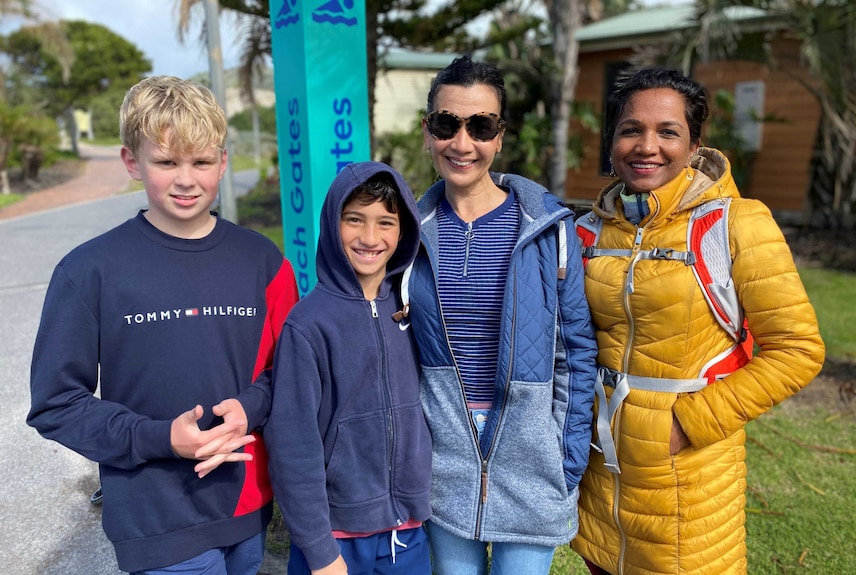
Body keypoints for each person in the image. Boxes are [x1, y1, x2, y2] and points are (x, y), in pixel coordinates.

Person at [27, 75, 299, 574]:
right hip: (154, 518)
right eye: (166, 162)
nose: (186, 179)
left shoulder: (262, 261)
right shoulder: (89, 271)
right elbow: (56, 404)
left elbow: (293, 371)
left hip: (247, 507)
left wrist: (251, 407)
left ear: (222, 160)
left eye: (200, 161)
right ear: (133, 161)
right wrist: (160, 439)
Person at [569, 67, 826, 575]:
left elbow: (798, 350)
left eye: (667, 132)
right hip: (602, 471)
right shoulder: (587, 230)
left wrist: (685, 424)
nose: (647, 146)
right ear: (612, 141)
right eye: (630, 130)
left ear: (694, 145)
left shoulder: (736, 223)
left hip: (688, 477)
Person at [403, 55, 598, 575]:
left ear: (500, 136)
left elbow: (576, 354)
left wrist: (566, 458)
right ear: (428, 132)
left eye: (480, 126)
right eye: (447, 124)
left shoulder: (549, 230)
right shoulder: (406, 232)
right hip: (442, 463)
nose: (462, 143)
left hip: (534, 465)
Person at [265, 161, 431, 575]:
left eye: (385, 222)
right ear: (332, 222)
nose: (370, 237)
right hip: (334, 540)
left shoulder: (416, 307)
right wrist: (320, 550)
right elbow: (292, 447)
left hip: (408, 534)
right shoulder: (307, 325)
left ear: (404, 228)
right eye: (354, 219)